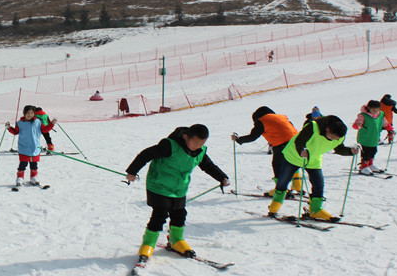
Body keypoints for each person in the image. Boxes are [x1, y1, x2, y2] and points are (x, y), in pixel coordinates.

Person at [125, 124, 229, 263]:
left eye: (201, 144)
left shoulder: (200, 151)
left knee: (180, 214)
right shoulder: (169, 146)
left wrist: (222, 177)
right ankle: (148, 244)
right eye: (195, 143)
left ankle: (176, 240)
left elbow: (209, 166)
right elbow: (146, 154)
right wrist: (132, 171)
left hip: (179, 189)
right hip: (159, 185)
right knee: (159, 215)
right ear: (186, 136)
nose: (197, 146)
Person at [267, 115, 359, 221]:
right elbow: (299, 141)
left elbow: (338, 148)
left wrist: (350, 151)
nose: (334, 139)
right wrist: (301, 150)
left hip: (313, 159)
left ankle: (316, 210)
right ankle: (274, 207)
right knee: (283, 181)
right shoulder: (313, 127)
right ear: (327, 129)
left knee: (318, 183)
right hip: (293, 156)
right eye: (333, 137)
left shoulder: (339, 134)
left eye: (336, 138)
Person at [231, 106, 302, 198]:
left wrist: (239, 139)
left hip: (281, 145)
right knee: (291, 162)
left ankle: (281, 189)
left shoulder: (262, 120)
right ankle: (298, 186)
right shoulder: (282, 117)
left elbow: (253, 136)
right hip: (296, 142)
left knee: (277, 165)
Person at [6, 105, 56, 188]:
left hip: (34, 147)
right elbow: (15, 132)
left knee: (34, 164)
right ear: (24, 113)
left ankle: (33, 177)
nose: (30, 115)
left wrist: (52, 124)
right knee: (23, 164)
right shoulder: (20, 123)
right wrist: (9, 128)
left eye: (32, 113)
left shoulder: (38, 122)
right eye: (28, 113)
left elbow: (45, 130)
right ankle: (20, 177)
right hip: (24, 147)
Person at [352, 100, 395, 174]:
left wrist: (390, 130)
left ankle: (370, 164)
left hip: (374, 137)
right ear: (369, 108)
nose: (375, 111)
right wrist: (358, 125)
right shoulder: (363, 115)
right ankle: (364, 166)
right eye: (373, 110)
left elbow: (385, 123)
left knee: (374, 151)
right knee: (366, 153)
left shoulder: (381, 114)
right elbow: (355, 126)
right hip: (365, 138)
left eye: (377, 110)